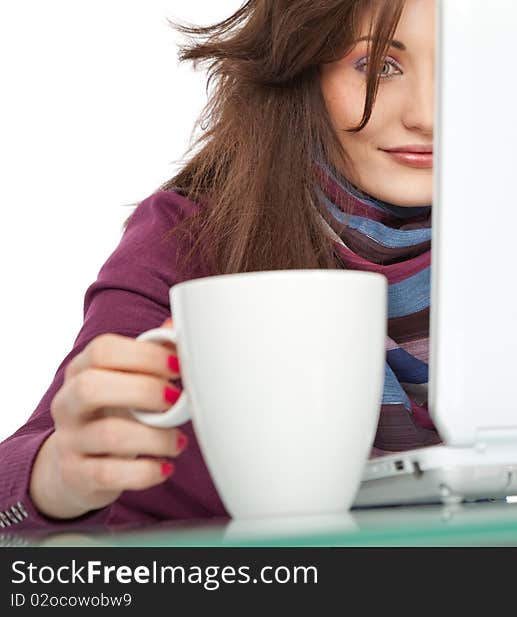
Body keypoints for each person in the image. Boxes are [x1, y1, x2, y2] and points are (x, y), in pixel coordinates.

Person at [0, 0, 439, 532]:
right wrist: (57, 480)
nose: (426, 114)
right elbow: (17, 493)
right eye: (376, 66)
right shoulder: (186, 237)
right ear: (301, 66)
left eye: (462, 69)